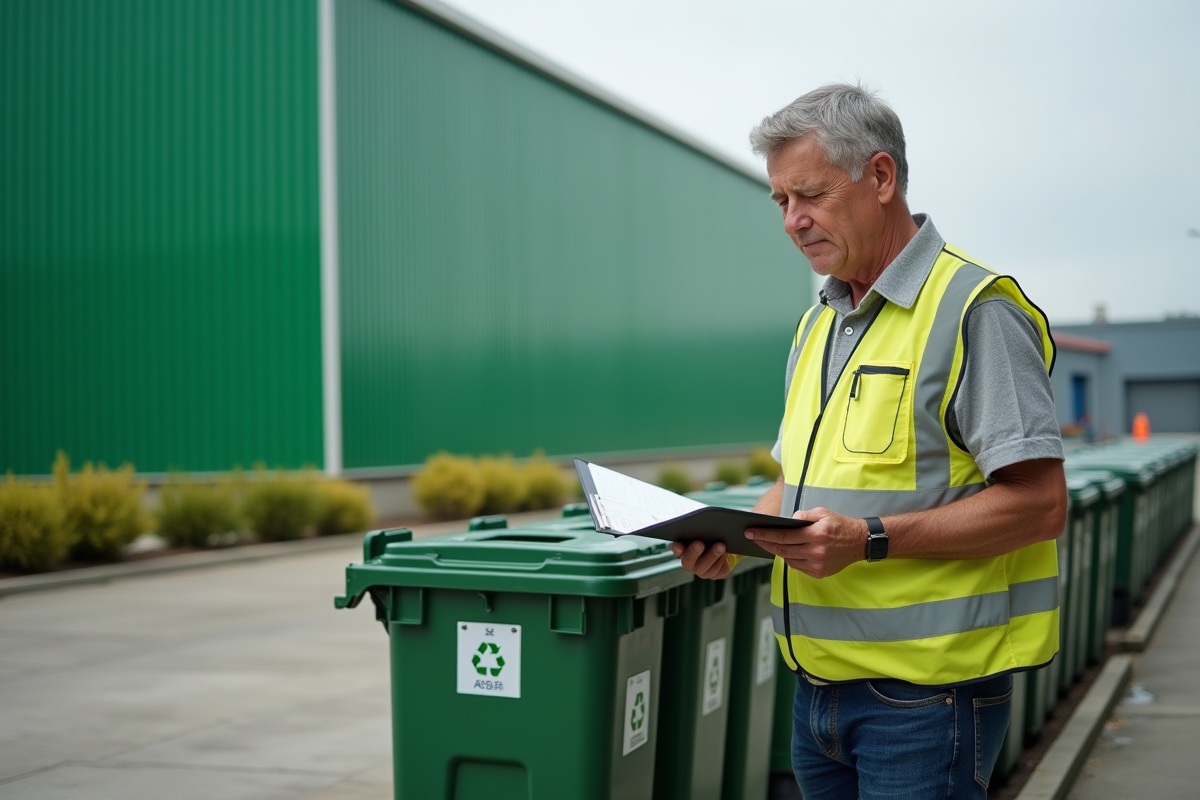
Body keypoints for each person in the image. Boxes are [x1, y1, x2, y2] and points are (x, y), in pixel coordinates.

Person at [670, 84, 1067, 800]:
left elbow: (1039, 505)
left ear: (881, 177)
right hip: (817, 690)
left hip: (928, 698)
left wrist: (870, 540)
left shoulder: (975, 311)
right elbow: (797, 484)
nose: (793, 220)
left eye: (811, 195)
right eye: (780, 201)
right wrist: (730, 536)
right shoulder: (818, 325)